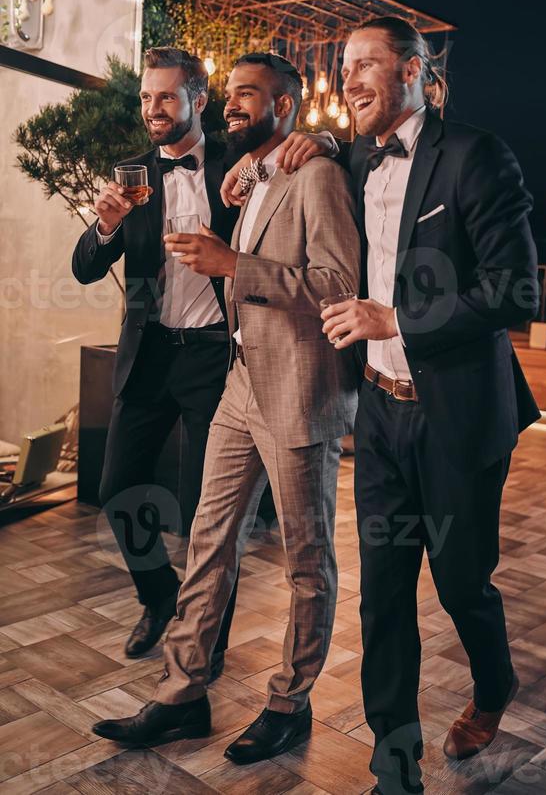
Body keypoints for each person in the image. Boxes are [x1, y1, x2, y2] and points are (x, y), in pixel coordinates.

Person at [225, 18, 541, 794]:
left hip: (460, 414)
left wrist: (396, 321)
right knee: (385, 596)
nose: (352, 77)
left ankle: (494, 687)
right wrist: (274, 158)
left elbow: (519, 293)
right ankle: (394, 764)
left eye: (367, 63)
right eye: (344, 65)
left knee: (464, 582)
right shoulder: (353, 155)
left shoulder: (474, 155)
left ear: (414, 71)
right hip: (380, 414)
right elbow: (320, 161)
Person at [91, 52, 361, 761]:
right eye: (231, 94)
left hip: (299, 389)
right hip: (239, 384)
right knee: (208, 542)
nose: (235, 105)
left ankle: (290, 703)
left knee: (307, 560)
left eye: (249, 94)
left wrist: (233, 264)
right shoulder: (250, 175)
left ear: (287, 106)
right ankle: (182, 693)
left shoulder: (319, 172)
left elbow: (337, 281)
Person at [72, 47, 241, 675]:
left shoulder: (238, 165)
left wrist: (327, 143)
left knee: (207, 513)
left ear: (199, 97)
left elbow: (304, 153)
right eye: (146, 98)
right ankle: (158, 594)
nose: (152, 109)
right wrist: (107, 226)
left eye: (165, 97)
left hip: (215, 359)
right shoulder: (132, 177)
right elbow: (85, 268)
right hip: (149, 355)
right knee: (118, 489)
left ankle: (208, 642)